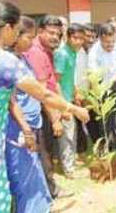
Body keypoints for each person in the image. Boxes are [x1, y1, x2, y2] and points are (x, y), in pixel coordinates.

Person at [0, 0, 89, 213]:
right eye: (18, 30)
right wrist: (74, 109)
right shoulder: (3, 60)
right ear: (7, 28)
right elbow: (42, 93)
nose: (17, 36)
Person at [4, 16, 52, 213]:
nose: (32, 42)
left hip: (32, 123)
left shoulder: (23, 58)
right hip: (20, 128)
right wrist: (25, 128)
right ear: (16, 35)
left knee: (34, 171)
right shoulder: (7, 63)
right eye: (29, 37)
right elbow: (11, 100)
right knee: (24, 176)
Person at [23, 14, 64, 198]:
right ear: (40, 32)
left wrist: (63, 106)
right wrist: (55, 118)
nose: (55, 37)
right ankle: (49, 190)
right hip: (37, 109)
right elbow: (41, 92)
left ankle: (48, 187)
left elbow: (53, 82)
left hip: (46, 106)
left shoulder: (47, 51)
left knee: (45, 150)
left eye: (58, 34)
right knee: (42, 152)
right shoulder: (37, 53)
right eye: (51, 32)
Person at [86, 23, 116, 148]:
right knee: (104, 119)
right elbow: (93, 74)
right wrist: (103, 86)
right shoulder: (94, 51)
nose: (110, 44)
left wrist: (113, 80)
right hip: (101, 87)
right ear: (100, 38)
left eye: (112, 41)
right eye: (106, 42)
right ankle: (107, 146)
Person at [54, 23, 85, 179]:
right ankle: (68, 168)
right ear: (68, 37)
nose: (79, 42)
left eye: (81, 39)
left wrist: (75, 93)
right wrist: (63, 106)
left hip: (70, 99)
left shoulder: (73, 53)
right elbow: (56, 81)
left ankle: (69, 161)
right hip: (62, 101)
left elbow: (69, 77)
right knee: (67, 136)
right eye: (75, 38)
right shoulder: (62, 54)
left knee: (72, 132)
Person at [75, 23, 96, 157]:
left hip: (89, 93)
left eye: (93, 37)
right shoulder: (76, 53)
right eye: (87, 36)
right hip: (77, 93)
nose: (90, 39)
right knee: (78, 122)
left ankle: (96, 145)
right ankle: (81, 150)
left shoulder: (91, 52)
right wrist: (76, 93)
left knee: (92, 121)